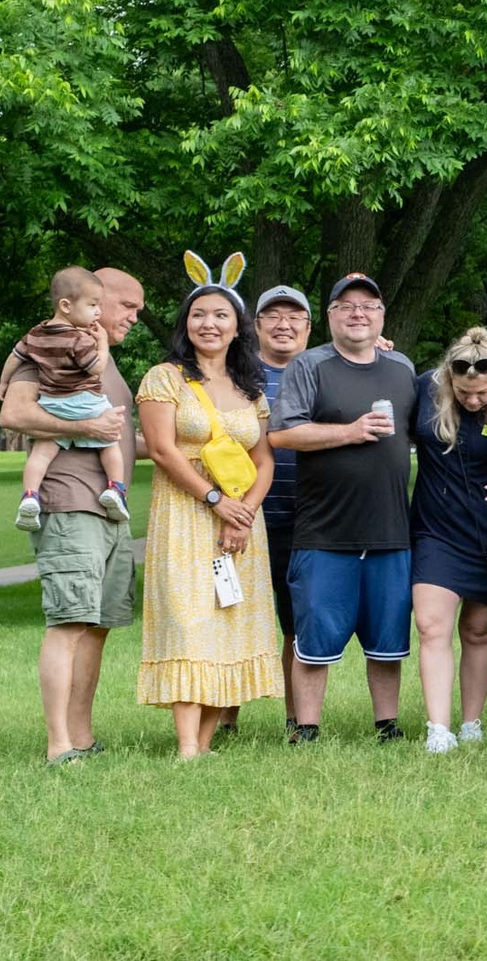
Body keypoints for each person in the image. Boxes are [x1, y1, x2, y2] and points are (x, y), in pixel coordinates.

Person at [267, 272, 420, 743]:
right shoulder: (309, 366)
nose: (359, 313)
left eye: (369, 306)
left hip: (391, 528)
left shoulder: (402, 369)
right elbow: (283, 433)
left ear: (381, 317)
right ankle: (307, 729)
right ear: (330, 316)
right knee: (313, 640)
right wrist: (350, 432)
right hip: (323, 529)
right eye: (347, 306)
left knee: (388, 642)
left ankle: (387, 726)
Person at [135, 272, 282, 758]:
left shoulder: (249, 386)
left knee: (228, 618)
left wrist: (243, 514)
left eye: (221, 315)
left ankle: (205, 741)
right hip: (184, 514)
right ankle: (186, 746)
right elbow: (161, 449)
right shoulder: (164, 378)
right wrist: (215, 501)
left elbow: (264, 460)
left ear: (238, 326)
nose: (209, 323)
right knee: (189, 619)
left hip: (241, 520)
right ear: (185, 324)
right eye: (199, 314)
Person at [1, 265, 143, 764]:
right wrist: (88, 422)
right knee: (69, 621)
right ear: (95, 300)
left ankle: (81, 735)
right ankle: (58, 744)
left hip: (109, 510)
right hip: (69, 503)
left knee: (97, 623)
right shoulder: (50, 349)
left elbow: (115, 435)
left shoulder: (103, 359)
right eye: (128, 307)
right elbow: (14, 414)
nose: (135, 317)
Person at [410, 329, 487, 753]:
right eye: (465, 393)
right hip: (435, 528)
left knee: (477, 629)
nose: (473, 401)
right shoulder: (423, 390)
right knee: (431, 626)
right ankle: (439, 728)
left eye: (481, 393)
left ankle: (471, 722)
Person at [13, 267, 129, 529]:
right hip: (71, 509)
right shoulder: (79, 340)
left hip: (53, 404)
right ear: (67, 305)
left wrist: (3, 379)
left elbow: (14, 355)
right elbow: (95, 368)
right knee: (110, 442)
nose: (97, 312)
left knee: (41, 455)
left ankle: (30, 495)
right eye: (94, 304)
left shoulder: (36, 335)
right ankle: (116, 488)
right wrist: (103, 345)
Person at [254, 284, 313, 732]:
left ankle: (296, 719)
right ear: (256, 327)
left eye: (294, 316)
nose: (283, 324)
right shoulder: (235, 373)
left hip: (310, 520)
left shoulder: (324, 371)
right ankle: (224, 717)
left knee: (297, 625)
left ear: (309, 328)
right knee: (232, 619)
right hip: (245, 517)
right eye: (273, 315)